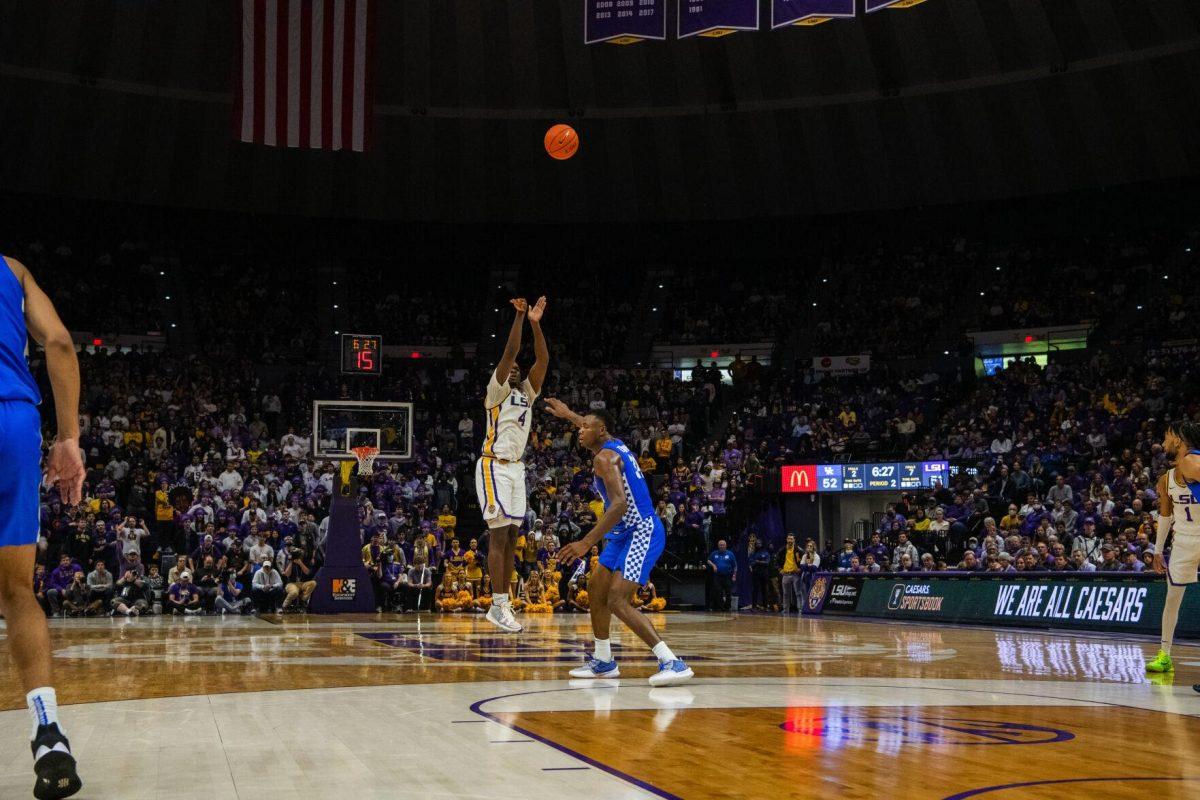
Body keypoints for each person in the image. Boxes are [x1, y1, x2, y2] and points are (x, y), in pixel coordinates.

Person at [0, 253, 85, 797]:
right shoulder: (12, 269)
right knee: (16, 591)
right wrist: (68, 437)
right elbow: (58, 342)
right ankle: (48, 733)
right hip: (14, 421)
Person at [548, 400, 693, 686]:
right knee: (596, 588)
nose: (579, 430)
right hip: (621, 533)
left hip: (641, 530)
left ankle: (671, 661)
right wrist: (569, 415)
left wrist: (586, 542)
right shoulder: (612, 442)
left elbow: (618, 506)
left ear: (600, 431)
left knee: (616, 599)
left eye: (585, 427)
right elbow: (592, 424)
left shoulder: (604, 458)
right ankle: (603, 661)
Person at [479, 296, 549, 634]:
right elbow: (510, 354)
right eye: (512, 369)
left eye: (520, 370)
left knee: (511, 538)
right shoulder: (496, 391)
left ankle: (501, 604)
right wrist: (520, 317)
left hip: (516, 468)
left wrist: (537, 324)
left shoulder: (528, 393)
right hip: (493, 464)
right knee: (497, 536)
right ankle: (497, 604)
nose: (516, 370)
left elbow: (543, 359)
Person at [1147, 423, 1200, 675]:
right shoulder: (1166, 479)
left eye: (1166, 437)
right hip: (1183, 541)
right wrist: (1158, 551)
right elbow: (1165, 517)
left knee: (1173, 600)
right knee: (1172, 599)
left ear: (1178, 441)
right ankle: (1165, 655)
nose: (1163, 442)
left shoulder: (1191, 462)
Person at [776, 534, 804, 614]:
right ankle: (786, 610)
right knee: (785, 594)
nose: (790, 540)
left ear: (794, 540)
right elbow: (776, 559)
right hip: (786, 574)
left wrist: (800, 569)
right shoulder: (783, 550)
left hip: (795, 574)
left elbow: (804, 559)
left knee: (798, 593)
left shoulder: (799, 550)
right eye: (788, 538)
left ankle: (800, 609)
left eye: (791, 539)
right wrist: (779, 569)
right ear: (786, 539)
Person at [707, 540, 737, 611]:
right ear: (718, 546)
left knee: (728, 592)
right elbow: (708, 560)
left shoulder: (730, 554)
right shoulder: (714, 553)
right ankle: (721, 607)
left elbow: (735, 566)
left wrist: (734, 575)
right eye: (720, 545)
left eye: (723, 545)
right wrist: (713, 565)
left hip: (727, 576)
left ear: (726, 546)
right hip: (717, 576)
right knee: (718, 591)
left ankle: (727, 607)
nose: (722, 546)